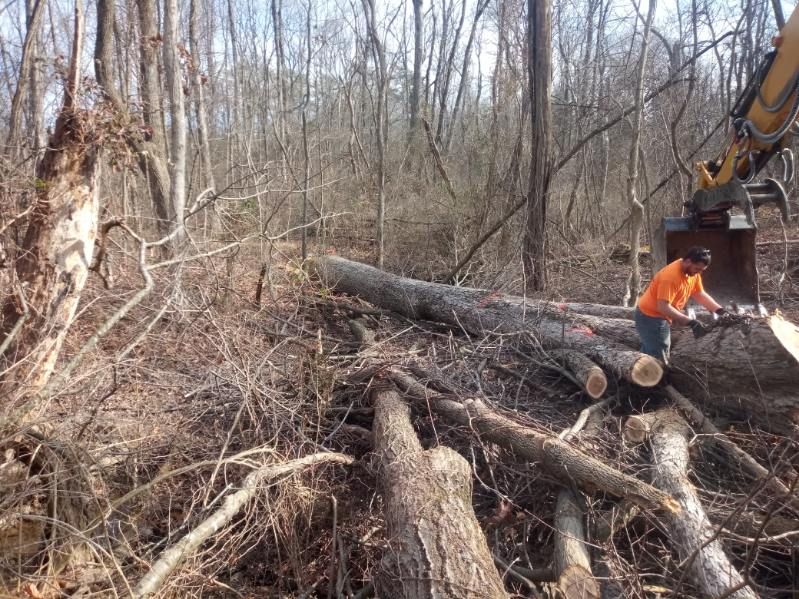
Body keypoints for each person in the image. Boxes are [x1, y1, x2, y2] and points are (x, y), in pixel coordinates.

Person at [634, 246, 728, 362]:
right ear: (688, 261)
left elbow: (699, 294)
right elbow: (663, 307)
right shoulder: (670, 277)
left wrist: (719, 310)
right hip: (651, 317)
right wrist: (690, 322)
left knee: (652, 350)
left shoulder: (691, 272)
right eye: (697, 269)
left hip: (660, 314)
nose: (698, 272)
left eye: (701, 270)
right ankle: (651, 377)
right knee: (659, 356)